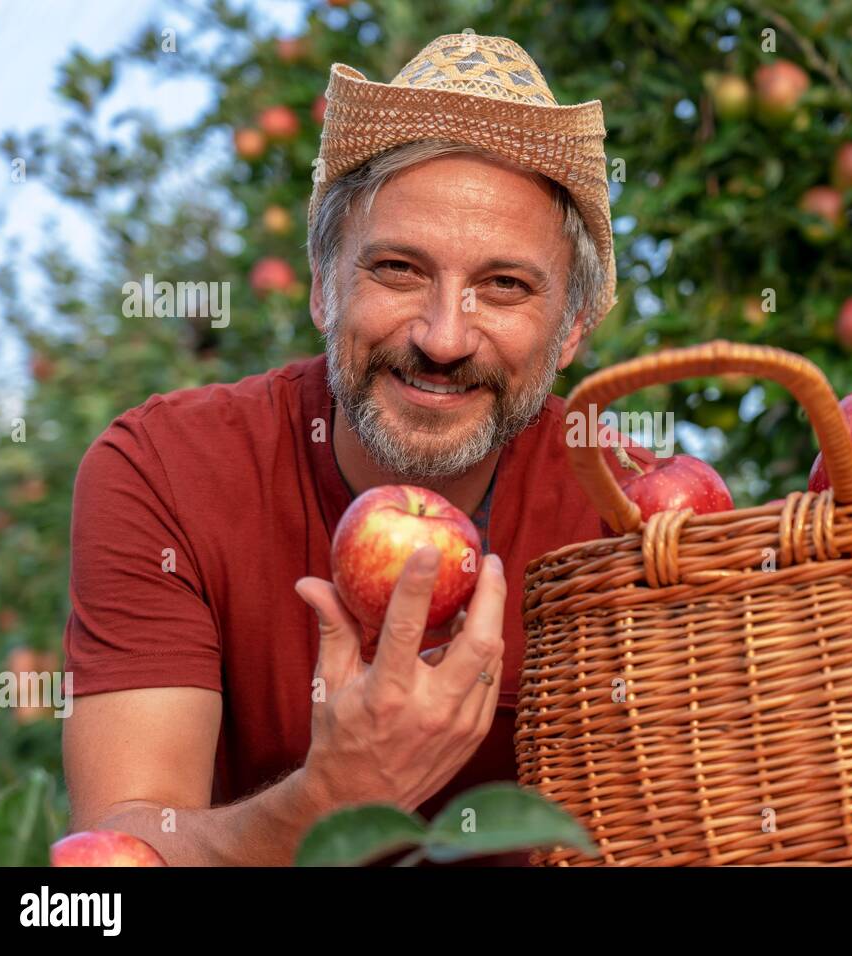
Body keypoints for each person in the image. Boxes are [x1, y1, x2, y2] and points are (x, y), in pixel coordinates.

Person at [62, 33, 647, 865]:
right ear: (321, 285)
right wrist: (331, 799)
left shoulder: (626, 508)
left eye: (505, 286)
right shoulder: (165, 471)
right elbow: (121, 849)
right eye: (400, 270)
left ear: (573, 329)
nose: (444, 337)